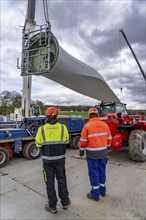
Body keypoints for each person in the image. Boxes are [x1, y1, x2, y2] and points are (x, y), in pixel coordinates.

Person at [35, 107, 71, 214]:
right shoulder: (63, 128)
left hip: (47, 162)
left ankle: (52, 206)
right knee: (62, 179)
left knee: (49, 182)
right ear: (57, 116)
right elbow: (66, 140)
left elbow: (37, 144)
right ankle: (65, 203)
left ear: (46, 116)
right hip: (60, 160)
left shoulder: (41, 129)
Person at [79, 107, 112, 201]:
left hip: (92, 154)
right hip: (104, 153)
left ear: (89, 115)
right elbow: (109, 139)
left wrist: (81, 150)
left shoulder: (87, 126)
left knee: (94, 173)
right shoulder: (105, 125)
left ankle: (95, 194)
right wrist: (107, 148)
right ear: (97, 115)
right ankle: (103, 191)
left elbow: (83, 141)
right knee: (102, 171)